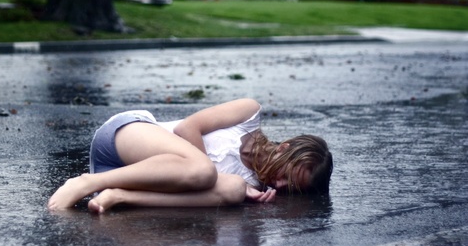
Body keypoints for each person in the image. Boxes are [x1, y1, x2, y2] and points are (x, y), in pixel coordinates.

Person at [48, 98, 333, 213]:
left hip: (136, 177)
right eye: (286, 176)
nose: (280, 186)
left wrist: (244, 190)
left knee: (232, 189)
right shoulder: (249, 114)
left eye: (291, 188)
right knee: (205, 172)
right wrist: (211, 174)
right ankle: (85, 183)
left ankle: (119, 195)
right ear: (284, 148)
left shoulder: (253, 185)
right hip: (127, 138)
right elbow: (188, 127)